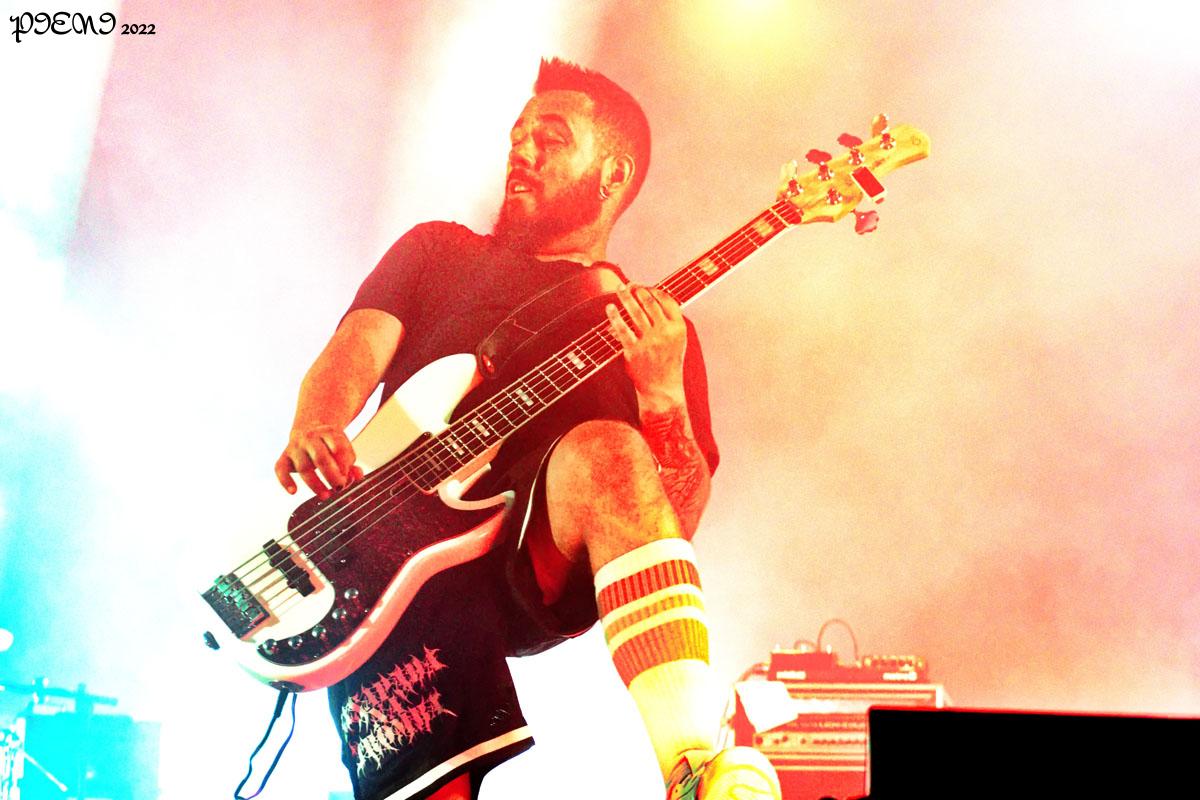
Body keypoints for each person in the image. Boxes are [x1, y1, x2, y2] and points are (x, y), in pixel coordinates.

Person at [274, 58, 782, 800]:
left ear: (612, 174)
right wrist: (319, 423)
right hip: (381, 544)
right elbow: (355, 348)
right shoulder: (437, 252)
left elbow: (667, 525)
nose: (523, 150)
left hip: (524, 556)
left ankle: (694, 766)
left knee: (608, 451)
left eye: (551, 137)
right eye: (518, 135)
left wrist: (661, 393)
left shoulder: (653, 331)